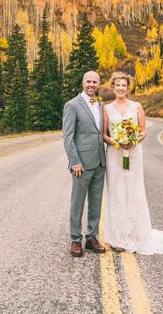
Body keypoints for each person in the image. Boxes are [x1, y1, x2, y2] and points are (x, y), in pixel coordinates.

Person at [101, 71, 163, 254]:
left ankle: (137, 235)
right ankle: (118, 238)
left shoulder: (137, 106)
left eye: (124, 85)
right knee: (117, 192)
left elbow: (143, 130)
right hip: (115, 154)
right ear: (113, 87)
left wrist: (133, 141)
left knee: (134, 190)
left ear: (128, 88)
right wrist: (117, 143)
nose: (121, 88)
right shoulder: (106, 109)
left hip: (134, 152)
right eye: (118, 85)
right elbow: (104, 134)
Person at [62, 70, 107, 257]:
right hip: (81, 164)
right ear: (82, 83)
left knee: (96, 202)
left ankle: (91, 237)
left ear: (98, 84)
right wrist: (75, 162)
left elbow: (101, 132)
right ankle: (75, 239)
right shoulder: (72, 105)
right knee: (78, 202)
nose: (91, 85)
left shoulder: (101, 104)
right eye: (88, 81)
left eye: (94, 82)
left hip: (99, 162)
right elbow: (68, 136)